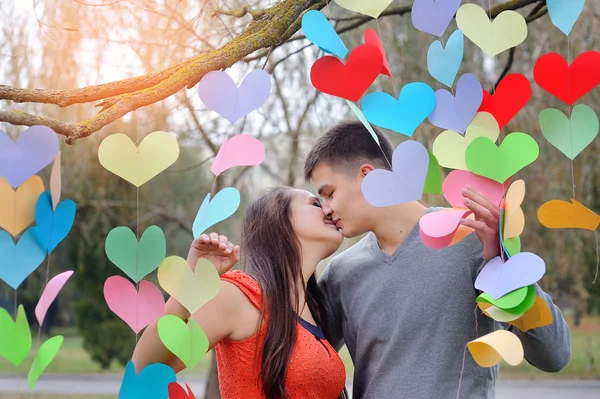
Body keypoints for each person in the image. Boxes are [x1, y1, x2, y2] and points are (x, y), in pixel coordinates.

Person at [301, 120, 571, 399]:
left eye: (329, 194)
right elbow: (302, 368)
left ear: (368, 176)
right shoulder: (341, 274)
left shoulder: (472, 238)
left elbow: (554, 355)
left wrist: (501, 261)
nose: (327, 210)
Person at [132, 187, 348, 399]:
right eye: (316, 203)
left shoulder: (315, 309)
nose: (329, 210)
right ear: (280, 221)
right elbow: (145, 370)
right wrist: (191, 287)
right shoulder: (240, 296)